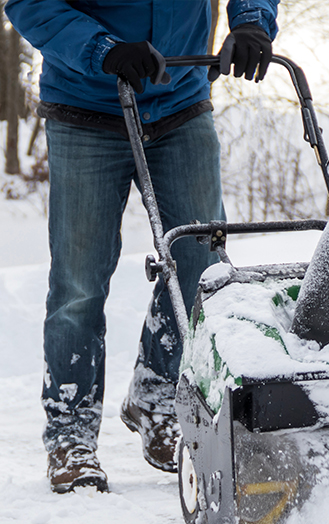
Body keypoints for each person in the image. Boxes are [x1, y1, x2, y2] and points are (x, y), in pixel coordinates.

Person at [5, 0, 279, 493]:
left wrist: (251, 22)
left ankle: (156, 396)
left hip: (181, 101)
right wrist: (102, 50)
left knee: (201, 266)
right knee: (79, 284)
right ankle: (71, 435)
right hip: (87, 105)